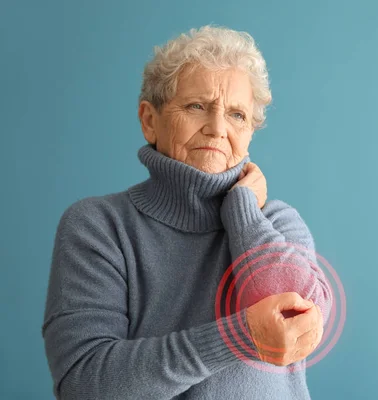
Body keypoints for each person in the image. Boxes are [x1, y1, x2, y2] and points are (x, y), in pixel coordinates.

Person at [41, 25, 332, 400]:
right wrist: (237, 337)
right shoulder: (98, 226)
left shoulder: (276, 222)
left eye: (237, 115)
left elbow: (296, 326)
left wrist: (243, 212)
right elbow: (85, 383)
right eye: (197, 106)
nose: (217, 129)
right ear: (149, 120)